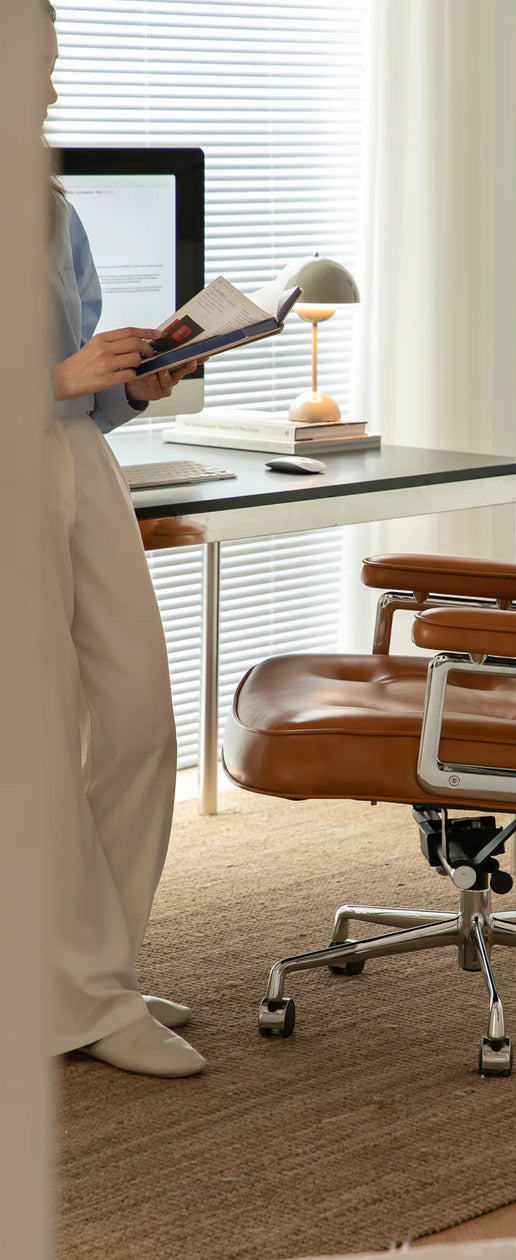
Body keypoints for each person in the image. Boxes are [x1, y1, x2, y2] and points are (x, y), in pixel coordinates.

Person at [43, 0, 205, 1076]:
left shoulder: (53, 209)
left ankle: (99, 974)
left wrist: (136, 385)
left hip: (76, 467)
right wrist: (55, 378)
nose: (49, 86)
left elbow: (87, 396)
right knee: (41, 755)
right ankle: (82, 1000)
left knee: (143, 723)